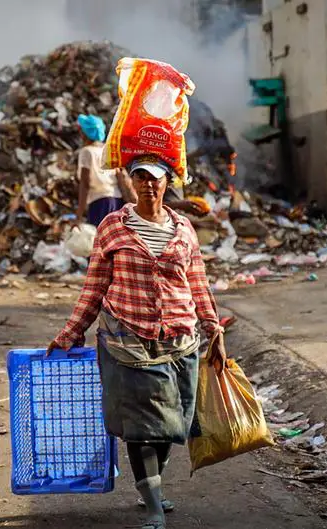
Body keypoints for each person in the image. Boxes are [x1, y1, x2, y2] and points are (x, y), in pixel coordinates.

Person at [47, 155, 226, 529]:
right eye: (139, 178)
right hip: (128, 340)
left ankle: (152, 486)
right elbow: (94, 286)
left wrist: (215, 330)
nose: (147, 185)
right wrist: (71, 331)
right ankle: (154, 505)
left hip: (180, 340)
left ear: (167, 183)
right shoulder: (113, 226)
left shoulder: (184, 229)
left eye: (155, 179)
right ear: (130, 182)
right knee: (142, 425)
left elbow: (198, 283)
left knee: (172, 425)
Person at [76, 114, 133, 226]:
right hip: (117, 201)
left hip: (99, 202)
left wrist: (79, 214)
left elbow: (85, 183)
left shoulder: (87, 152)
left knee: (101, 240)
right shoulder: (108, 151)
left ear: (85, 133)